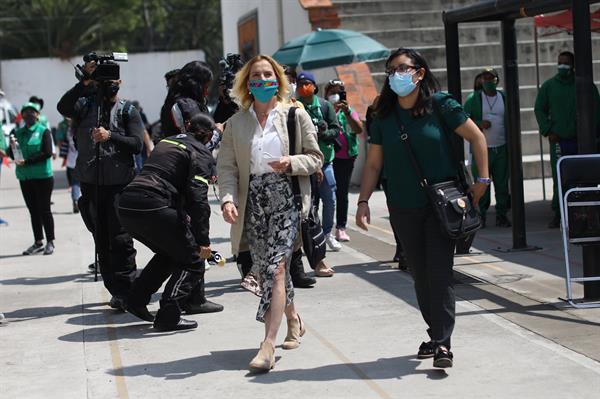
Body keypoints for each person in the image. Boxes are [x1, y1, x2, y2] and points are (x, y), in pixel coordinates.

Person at [356, 48, 489, 368]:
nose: (396, 75)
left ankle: (443, 343)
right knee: (420, 274)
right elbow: (373, 165)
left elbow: (477, 137)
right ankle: (435, 332)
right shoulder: (384, 116)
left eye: (403, 68)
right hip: (402, 206)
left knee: (440, 272)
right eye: (391, 70)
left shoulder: (441, 105)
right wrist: (362, 201)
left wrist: (482, 180)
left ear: (419, 72)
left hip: (441, 203)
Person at [217, 55, 323, 371]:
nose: (262, 81)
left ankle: (267, 345)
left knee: (276, 269)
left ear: (278, 79)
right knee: (267, 271)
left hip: (287, 197)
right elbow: (226, 167)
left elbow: (315, 158)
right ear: (246, 84)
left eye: (267, 75)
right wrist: (226, 199)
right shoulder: (236, 124)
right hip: (253, 202)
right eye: (255, 77)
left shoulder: (295, 115)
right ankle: (293, 318)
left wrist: (292, 162)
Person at [57, 60, 142, 310]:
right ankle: (115, 290)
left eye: (114, 84)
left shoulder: (128, 111)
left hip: (120, 186)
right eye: (105, 84)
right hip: (91, 185)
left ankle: (128, 289)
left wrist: (111, 136)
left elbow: (137, 143)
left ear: (120, 83)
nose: (110, 89)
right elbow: (62, 106)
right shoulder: (85, 107)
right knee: (102, 239)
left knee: (121, 239)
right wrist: (83, 81)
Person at [118, 114, 216, 331]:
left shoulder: (167, 141)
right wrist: (203, 241)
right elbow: (199, 199)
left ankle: (135, 300)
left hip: (126, 205)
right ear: (208, 136)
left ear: (188, 126)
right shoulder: (200, 151)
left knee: (170, 254)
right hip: (153, 204)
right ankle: (169, 316)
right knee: (193, 260)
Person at [534, 51, 600, 228]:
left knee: (584, 178)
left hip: (582, 141)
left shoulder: (585, 86)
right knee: (560, 178)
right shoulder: (549, 86)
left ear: (572, 65)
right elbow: (539, 109)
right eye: (559, 63)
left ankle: (584, 214)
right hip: (559, 142)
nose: (562, 66)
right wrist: (548, 130)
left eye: (565, 63)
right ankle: (559, 213)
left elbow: (597, 110)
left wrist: (595, 134)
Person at [296, 71, 343, 252]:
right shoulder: (296, 107)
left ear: (314, 86)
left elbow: (335, 129)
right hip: (304, 164)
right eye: (300, 85)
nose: (304, 87)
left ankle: (327, 233)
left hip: (325, 161)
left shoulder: (324, 106)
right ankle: (308, 235)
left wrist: (324, 134)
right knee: (308, 201)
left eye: (307, 83)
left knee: (329, 199)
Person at [463, 67, 511, 228]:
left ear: (497, 81)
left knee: (502, 184)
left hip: (501, 147)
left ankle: (501, 215)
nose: (488, 81)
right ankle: (481, 215)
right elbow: (463, 120)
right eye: (485, 78)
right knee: (482, 183)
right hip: (481, 150)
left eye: (491, 78)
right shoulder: (474, 98)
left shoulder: (504, 97)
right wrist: (478, 124)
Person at [8, 102, 55, 255]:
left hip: (43, 177)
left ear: (37, 115)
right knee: (33, 211)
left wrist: (27, 162)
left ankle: (50, 242)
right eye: (25, 112)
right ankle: (38, 242)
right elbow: (13, 154)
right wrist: (11, 147)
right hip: (25, 177)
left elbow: (47, 152)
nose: (29, 115)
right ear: (22, 115)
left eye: (32, 112)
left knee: (44, 210)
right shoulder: (17, 132)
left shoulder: (44, 131)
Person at [324, 79, 363, 242]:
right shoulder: (324, 111)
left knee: (341, 193)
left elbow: (358, 129)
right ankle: (324, 228)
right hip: (328, 158)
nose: (334, 95)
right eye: (331, 92)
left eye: (338, 92)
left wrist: (346, 112)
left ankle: (341, 227)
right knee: (326, 195)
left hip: (347, 158)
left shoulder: (349, 111)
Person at [159, 61, 212, 140]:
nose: (206, 93)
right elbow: (201, 141)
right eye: (205, 87)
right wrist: (219, 131)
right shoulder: (186, 105)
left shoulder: (191, 103)